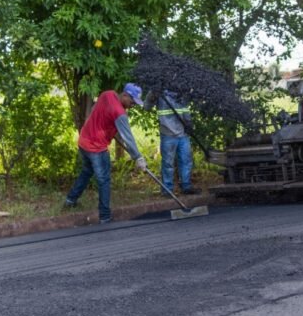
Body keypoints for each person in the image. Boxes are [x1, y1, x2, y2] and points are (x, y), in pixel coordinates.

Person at [65, 83, 148, 224]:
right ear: (125, 94)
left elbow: (94, 109)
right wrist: (138, 157)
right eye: (132, 101)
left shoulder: (107, 94)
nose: (133, 105)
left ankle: (70, 200)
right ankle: (104, 216)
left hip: (83, 141)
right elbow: (128, 138)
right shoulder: (120, 113)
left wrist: (104, 125)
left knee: (86, 172)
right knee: (104, 180)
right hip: (96, 148)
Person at [143, 89, 201, 196]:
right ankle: (167, 189)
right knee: (168, 163)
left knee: (186, 160)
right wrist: (152, 95)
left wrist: (188, 123)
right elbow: (146, 107)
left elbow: (185, 109)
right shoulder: (158, 91)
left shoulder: (181, 90)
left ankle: (186, 187)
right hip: (167, 134)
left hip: (183, 133)